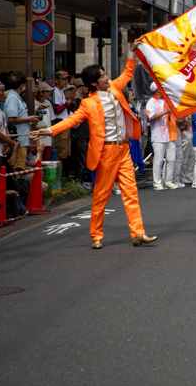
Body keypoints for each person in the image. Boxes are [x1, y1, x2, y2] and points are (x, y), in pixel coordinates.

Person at [31, 40, 157, 249]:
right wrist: (50, 130)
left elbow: (127, 72)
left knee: (131, 193)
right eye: (102, 75)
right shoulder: (88, 104)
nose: (107, 77)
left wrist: (132, 52)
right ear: (93, 83)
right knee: (101, 195)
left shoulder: (116, 87)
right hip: (106, 151)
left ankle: (138, 233)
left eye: (105, 73)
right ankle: (96, 235)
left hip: (123, 148)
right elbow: (72, 120)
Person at [146, 81, 179, 190]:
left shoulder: (166, 101)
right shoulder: (151, 102)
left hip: (170, 134)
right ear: (157, 89)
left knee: (171, 159)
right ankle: (157, 183)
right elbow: (152, 116)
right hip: (158, 135)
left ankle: (168, 181)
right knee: (158, 160)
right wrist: (165, 112)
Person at [4, 71, 38, 171]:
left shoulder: (15, 96)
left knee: (20, 166)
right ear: (21, 84)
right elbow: (11, 118)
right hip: (18, 139)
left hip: (21, 138)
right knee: (18, 168)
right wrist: (28, 119)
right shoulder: (13, 97)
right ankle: (18, 185)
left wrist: (28, 121)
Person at [0, 79, 16, 188]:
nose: (1, 93)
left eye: (2, 91)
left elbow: (5, 128)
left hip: (2, 152)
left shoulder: (0, 109)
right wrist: (11, 143)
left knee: (4, 185)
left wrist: (8, 144)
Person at [70, 78, 92, 189]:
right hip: (79, 135)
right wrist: (75, 99)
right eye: (85, 86)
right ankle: (79, 181)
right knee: (81, 160)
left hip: (89, 133)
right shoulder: (76, 102)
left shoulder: (88, 100)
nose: (88, 88)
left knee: (88, 159)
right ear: (79, 88)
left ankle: (85, 180)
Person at [51, 70, 72, 166]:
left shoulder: (61, 92)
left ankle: (60, 177)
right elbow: (57, 110)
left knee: (64, 153)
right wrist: (69, 101)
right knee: (60, 153)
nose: (66, 81)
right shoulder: (55, 91)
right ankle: (57, 179)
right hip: (60, 124)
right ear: (56, 80)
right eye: (63, 79)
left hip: (65, 124)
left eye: (67, 79)